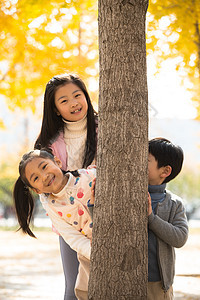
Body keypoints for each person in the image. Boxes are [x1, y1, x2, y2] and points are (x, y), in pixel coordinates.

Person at [34, 73, 98, 299]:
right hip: (71, 220)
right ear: (54, 109)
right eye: (64, 100)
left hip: (104, 212)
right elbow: (45, 188)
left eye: (77, 95)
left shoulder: (103, 129)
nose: (73, 103)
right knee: (74, 286)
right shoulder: (49, 144)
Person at [13, 149, 96, 300]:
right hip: (89, 250)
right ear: (36, 190)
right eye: (36, 178)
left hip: (114, 234)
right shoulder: (53, 206)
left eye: (44, 167)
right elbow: (71, 237)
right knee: (82, 292)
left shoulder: (88, 176)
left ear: (57, 162)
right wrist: (94, 253)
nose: (44, 176)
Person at [148, 137, 188, 300]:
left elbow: (180, 238)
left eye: (146, 160)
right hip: (125, 278)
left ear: (164, 171)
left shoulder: (174, 204)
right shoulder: (127, 194)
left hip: (158, 283)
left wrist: (151, 218)